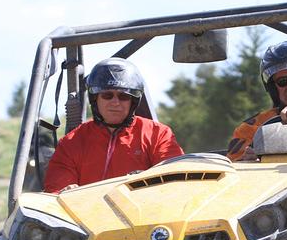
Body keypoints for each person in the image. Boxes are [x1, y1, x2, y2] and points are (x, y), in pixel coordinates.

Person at [44, 58, 184, 193]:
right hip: (84, 209)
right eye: (107, 95)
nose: (115, 102)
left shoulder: (158, 135)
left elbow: (175, 181)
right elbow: (56, 190)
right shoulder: (71, 143)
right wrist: (65, 192)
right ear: (95, 99)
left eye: (123, 96)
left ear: (133, 101)